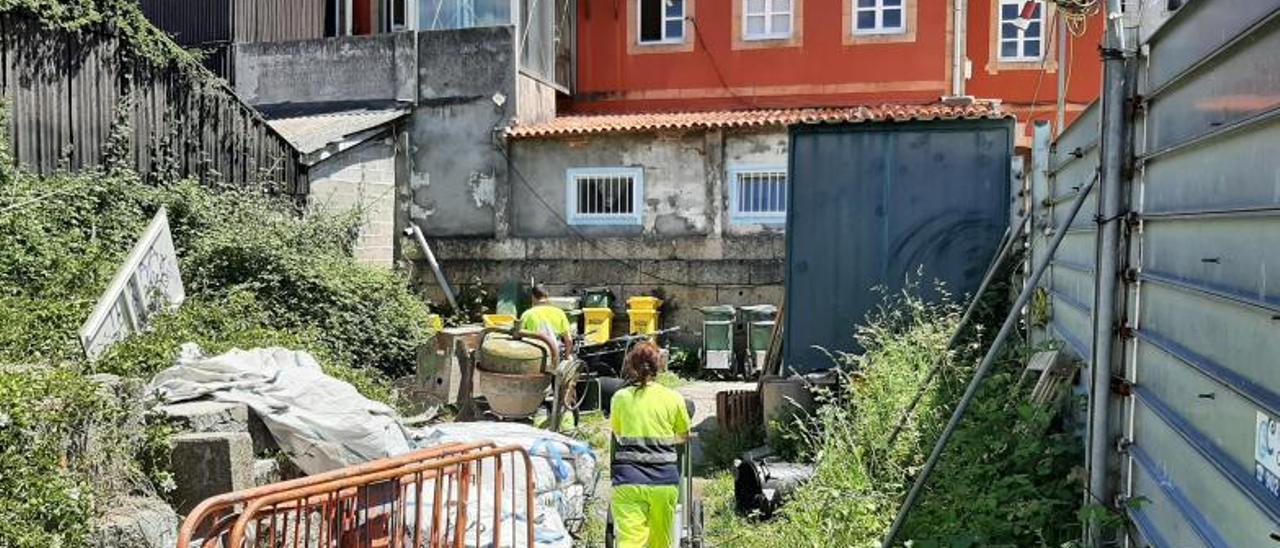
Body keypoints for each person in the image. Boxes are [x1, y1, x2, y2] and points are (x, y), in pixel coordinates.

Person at [610, 342, 691, 548]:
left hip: (628, 480)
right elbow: (683, 435)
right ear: (659, 367)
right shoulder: (674, 398)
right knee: (660, 543)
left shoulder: (620, 398)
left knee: (629, 542)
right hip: (664, 481)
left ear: (631, 366)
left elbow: (618, 434)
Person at [519, 285, 573, 358]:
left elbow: (519, 338)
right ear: (547, 296)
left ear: (533, 297)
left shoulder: (527, 314)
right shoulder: (559, 312)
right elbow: (569, 340)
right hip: (555, 354)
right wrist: (567, 356)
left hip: (535, 356)